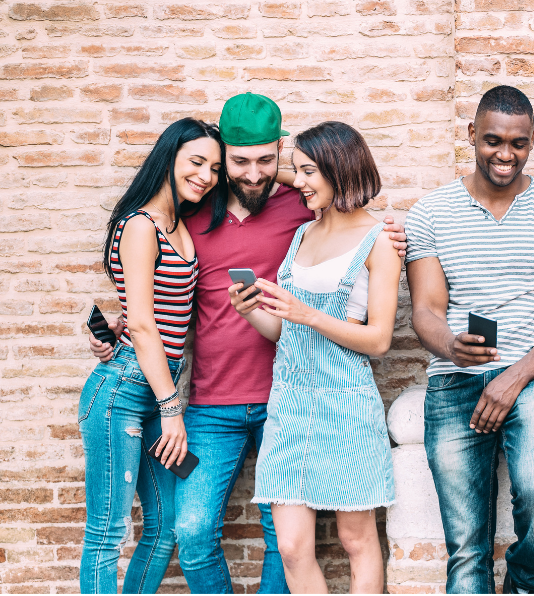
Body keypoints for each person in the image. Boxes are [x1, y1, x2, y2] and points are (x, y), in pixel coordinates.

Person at [89, 93, 407, 594]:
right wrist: (122, 336)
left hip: (289, 396)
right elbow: (157, 290)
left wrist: (384, 230)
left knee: (296, 543)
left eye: (267, 161)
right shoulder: (192, 212)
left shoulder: (300, 210)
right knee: (194, 531)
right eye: (239, 162)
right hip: (212, 404)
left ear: (279, 153)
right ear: (221, 159)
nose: (256, 174)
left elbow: (344, 217)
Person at [404, 85, 534, 594]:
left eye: (518, 143)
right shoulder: (430, 212)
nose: (505, 154)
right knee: (466, 549)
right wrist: (451, 345)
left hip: (530, 378)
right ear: (471, 135)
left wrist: (514, 378)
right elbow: (425, 311)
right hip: (453, 383)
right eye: (492, 141)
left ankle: (521, 585)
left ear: (533, 141)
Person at [229, 121, 399, 593]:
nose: (297, 181)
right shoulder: (302, 233)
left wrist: (309, 314)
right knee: (291, 547)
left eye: (307, 172)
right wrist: (250, 312)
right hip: (288, 403)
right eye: (297, 171)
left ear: (338, 170)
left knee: (356, 539)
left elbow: (380, 339)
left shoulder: (380, 239)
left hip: (344, 400)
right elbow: (284, 330)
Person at [80, 118, 223, 593]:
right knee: (107, 533)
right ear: (169, 157)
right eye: (196, 162)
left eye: (215, 167)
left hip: (156, 385)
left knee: (163, 528)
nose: (206, 175)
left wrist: (119, 328)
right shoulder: (141, 224)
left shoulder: (179, 223)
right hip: (125, 390)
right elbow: (142, 323)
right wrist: (171, 407)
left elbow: (153, 312)